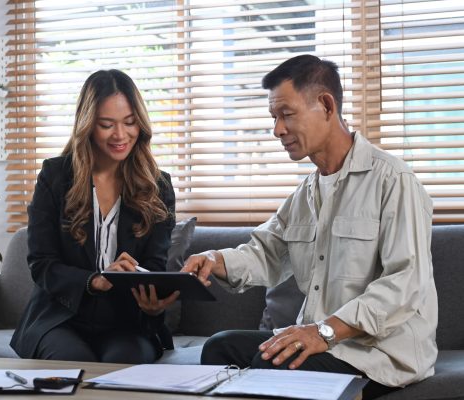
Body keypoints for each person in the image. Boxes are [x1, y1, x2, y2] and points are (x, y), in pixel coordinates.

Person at [181, 54, 437, 399]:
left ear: (326, 106)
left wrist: (323, 332)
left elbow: (404, 284)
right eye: (274, 117)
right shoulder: (305, 194)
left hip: (378, 354)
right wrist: (215, 258)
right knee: (220, 348)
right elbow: (264, 253)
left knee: (270, 364)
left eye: (286, 114)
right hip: (321, 342)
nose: (277, 130)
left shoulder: (393, 180)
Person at [10, 69, 179, 364]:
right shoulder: (54, 177)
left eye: (130, 123)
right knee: (73, 362)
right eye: (106, 124)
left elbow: (154, 265)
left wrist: (151, 302)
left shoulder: (158, 186)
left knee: (124, 368)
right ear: (88, 124)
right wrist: (95, 281)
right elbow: (41, 263)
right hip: (60, 319)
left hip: (127, 322)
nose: (120, 135)